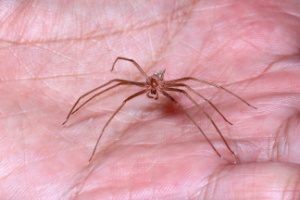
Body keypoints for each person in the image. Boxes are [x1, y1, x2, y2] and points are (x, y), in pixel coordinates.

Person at [1, 1, 299, 199]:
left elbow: (195, 87)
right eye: (151, 86)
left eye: (154, 86)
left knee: (193, 93)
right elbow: (123, 65)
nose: (152, 90)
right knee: (115, 89)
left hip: (171, 82)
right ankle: (75, 114)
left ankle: (221, 130)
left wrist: (225, 114)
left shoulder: (168, 86)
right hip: (147, 75)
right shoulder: (142, 82)